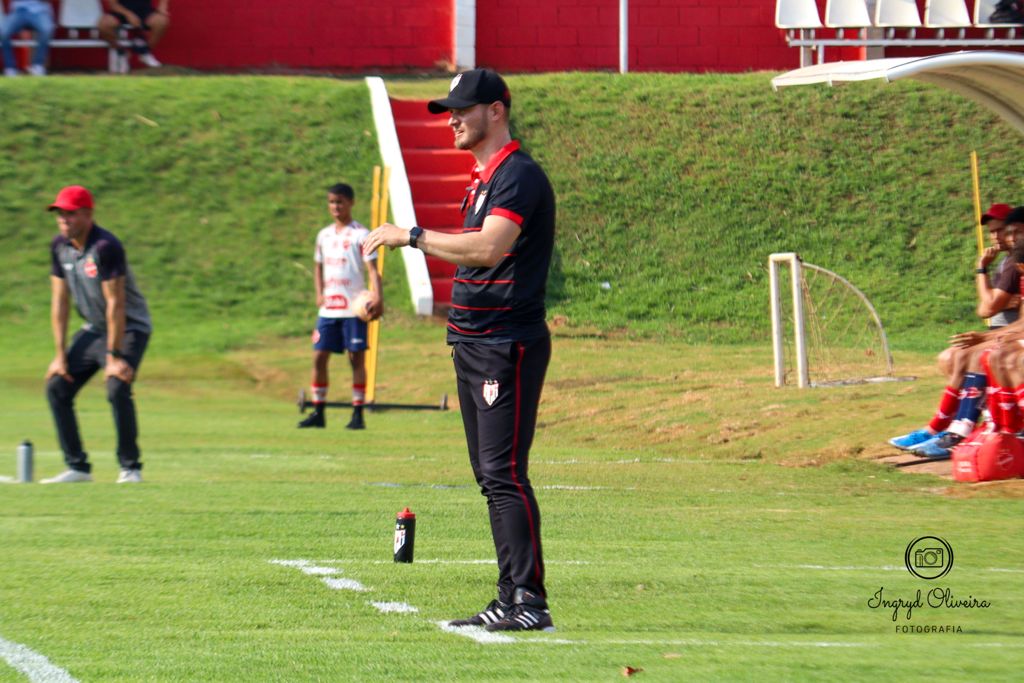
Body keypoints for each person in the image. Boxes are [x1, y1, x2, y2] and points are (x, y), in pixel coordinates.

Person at [363, 68, 557, 632]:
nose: (452, 118)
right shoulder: (484, 176)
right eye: (449, 109)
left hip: (504, 343)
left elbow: (488, 249)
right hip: (475, 341)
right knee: (490, 474)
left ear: (496, 110)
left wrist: (414, 235)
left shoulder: (517, 175)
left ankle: (529, 601)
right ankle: (509, 596)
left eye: (463, 109)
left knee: (504, 473)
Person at [890, 207, 1024, 458]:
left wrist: (981, 272)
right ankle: (956, 427)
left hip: (1007, 332)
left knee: (985, 357)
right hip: (1009, 331)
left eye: (1009, 232)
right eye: (999, 233)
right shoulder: (1013, 261)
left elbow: (986, 309)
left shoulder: (1013, 264)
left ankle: (992, 431)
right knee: (956, 356)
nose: (1003, 238)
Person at [42, 186, 152, 484]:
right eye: (60, 214)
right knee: (56, 387)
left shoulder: (106, 246)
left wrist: (114, 357)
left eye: (70, 213)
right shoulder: (59, 247)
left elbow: (116, 304)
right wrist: (60, 356)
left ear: (88, 214)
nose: (64, 219)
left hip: (129, 327)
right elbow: (60, 302)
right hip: (94, 329)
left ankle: (130, 468)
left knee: (117, 385)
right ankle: (77, 467)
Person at [298, 183, 382, 431]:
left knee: (356, 360)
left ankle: (357, 414)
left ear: (351, 203)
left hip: (353, 310)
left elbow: (372, 271)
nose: (336, 206)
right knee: (319, 357)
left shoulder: (361, 234)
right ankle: (319, 412)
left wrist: (378, 298)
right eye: (332, 202)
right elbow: (317, 267)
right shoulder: (323, 235)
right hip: (328, 311)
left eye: (340, 202)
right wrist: (318, 293)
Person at [975, 203, 1019, 329]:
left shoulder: (1014, 262)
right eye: (991, 232)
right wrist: (1003, 305)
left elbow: (988, 308)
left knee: (955, 349)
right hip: (999, 333)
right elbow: (982, 310)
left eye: (999, 230)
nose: (995, 237)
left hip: (1008, 336)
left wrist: (981, 268)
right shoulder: (1005, 261)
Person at [99, 0, 169, 71]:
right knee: (104, 25)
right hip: (121, 11)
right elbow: (113, 4)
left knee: (161, 21)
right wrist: (128, 14)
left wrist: (162, 7)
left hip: (144, 11)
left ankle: (145, 51)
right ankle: (121, 52)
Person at [1, 0, 55, 77]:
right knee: (3, 32)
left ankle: (38, 66)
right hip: (18, 11)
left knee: (47, 29)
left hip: (40, 11)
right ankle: (10, 68)